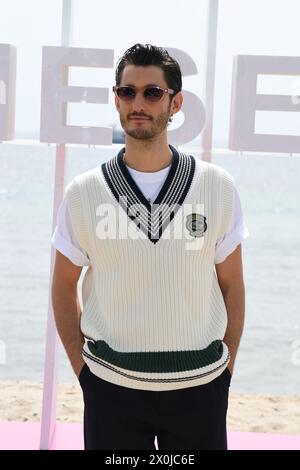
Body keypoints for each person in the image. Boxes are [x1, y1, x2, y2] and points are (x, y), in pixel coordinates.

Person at [51, 43, 249, 450]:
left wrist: (225, 369)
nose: (138, 102)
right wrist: (83, 371)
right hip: (111, 388)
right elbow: (63, 284)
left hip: (200, 389)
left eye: (152, 92)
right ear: (117, 99)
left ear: (175, 103)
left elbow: (232, 285)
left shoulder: (217, 186)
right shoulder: (84, 193)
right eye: (128, 91)